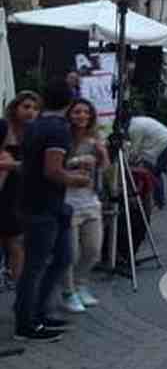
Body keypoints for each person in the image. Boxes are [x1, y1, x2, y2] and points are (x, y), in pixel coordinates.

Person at [14, 77, 93, 343]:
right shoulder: (58, 129)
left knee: (62, 258)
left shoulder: (36, 126)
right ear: (70, 102)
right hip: (43, 205)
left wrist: (67, 169)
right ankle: (26, 323)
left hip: (42, 203)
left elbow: (39, 164)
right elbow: (51, 171)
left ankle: (37, 312)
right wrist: (76, 178)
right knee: (36, 265)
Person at [61, 99, 109, 313]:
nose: (82, 116)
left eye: (86, 112)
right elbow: (55, 167)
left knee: (93, 250)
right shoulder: (62, 137)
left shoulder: (95, 138)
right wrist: (76, 162)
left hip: (90, 199)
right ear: (70, 115)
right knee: (70, 252)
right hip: (67, 200)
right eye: (77, 112)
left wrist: (102, 154)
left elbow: (106, 169)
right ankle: (68, 291)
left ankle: (80, 284)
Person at [0, 92, 41, 286]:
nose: (30, 112)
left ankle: (20, 291)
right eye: (26, 107)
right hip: (3, 190)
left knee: (17, 242)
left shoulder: (35, 134)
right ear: (15, 108)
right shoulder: (3, 128)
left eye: (34, 108)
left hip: (19, 193)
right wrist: (14, 166)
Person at [126, 114, 167, 210]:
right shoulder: (138, 120)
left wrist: (129, 163)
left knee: (153, 173)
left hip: (166, 145)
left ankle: (158, 203)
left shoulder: (134, 128)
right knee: (154, 171)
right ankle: (158, 201)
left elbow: (135, 150)